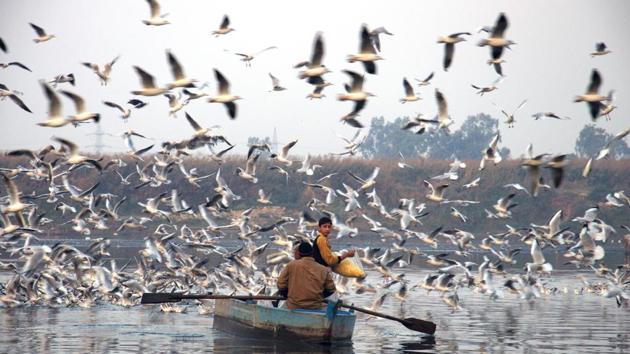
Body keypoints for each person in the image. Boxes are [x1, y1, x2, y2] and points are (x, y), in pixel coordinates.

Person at [276, 241, 336, 310]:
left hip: (293, 306)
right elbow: (331, 289)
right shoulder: (323, 269)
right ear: (312, 253)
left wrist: (290, 295)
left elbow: (280, 285)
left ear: (299, 253)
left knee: (280, 308)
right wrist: (318, 297)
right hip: (315, 307)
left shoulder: (292, 265)